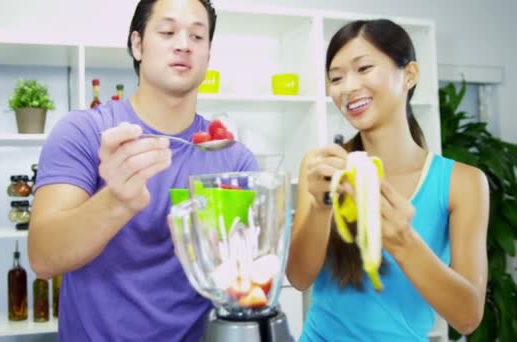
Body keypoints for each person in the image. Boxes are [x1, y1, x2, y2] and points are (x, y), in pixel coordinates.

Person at [27, 0, 258, 340]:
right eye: (167, 32)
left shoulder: (233, 157)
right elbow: (43, 257)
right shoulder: (84, 132)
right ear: (137, 45)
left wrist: (211, 259)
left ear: (208, 55)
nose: (183, 44)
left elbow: (247, 286)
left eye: (197, 36)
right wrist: (117, 201)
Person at [286, 19, 489, 341]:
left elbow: (467, 317)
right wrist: (321, 207)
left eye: (364, 68)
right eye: (336, 78)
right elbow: (298, 278)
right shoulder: (322, 167)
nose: (348, 87)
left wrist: (403, 241)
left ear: (409, 75)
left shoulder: (462, 183)